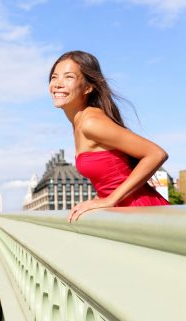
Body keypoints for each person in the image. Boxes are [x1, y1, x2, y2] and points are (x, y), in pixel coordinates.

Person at [48, 50, 169, 223]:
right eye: (54, 77)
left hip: (141, 212)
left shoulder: (91, 122)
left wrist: (111, 199)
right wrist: (101, 198)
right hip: (125, 215)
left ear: (88, 87)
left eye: (69, 77)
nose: (58, 84)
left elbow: (156, 154)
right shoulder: (79, 123)